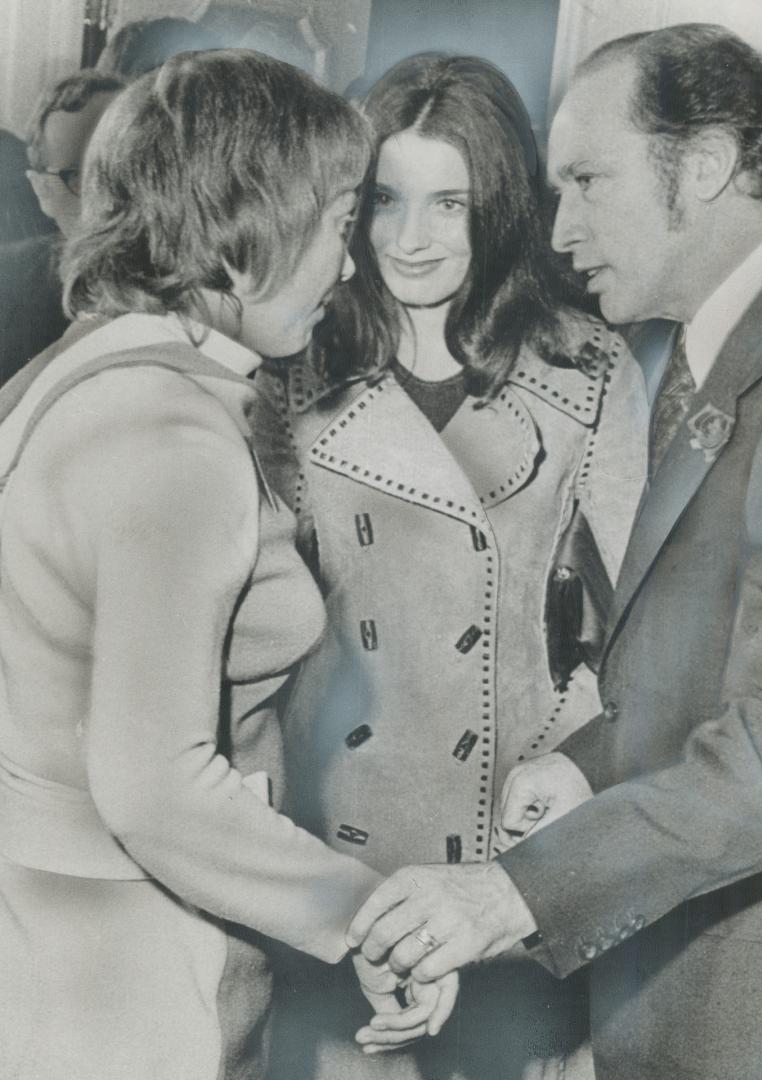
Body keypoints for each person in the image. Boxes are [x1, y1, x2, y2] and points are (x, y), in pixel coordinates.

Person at [345, 24, 762, 1080]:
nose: (559, 230)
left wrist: (514, 891)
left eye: (587, 181)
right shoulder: (741, 352)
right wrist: (583, 771)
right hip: (687, 974)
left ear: (699, 167)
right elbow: (699, 665)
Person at [0, 49, 456, 1080]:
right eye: (338, 227)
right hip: (139, 973)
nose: (349, 268)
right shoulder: (175, 438)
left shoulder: (82, 367)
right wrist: (367, 919)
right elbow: (156, 788)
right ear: (245, 239)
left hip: (49, 935)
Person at [252, 52, 649, 1080]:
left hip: (507, 846)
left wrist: (572, 748)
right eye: (384, 200)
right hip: (329, 838)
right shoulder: (295, 359)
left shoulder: (584, 366)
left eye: (449, 203)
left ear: (500, 205)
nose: (409, 239)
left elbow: (647, 614)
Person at [0, 71, 123, 385]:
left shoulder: (204, 283)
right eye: (80, 177)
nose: (112, 198)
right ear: (42, 191)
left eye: (123, 169)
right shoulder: (8, 287)